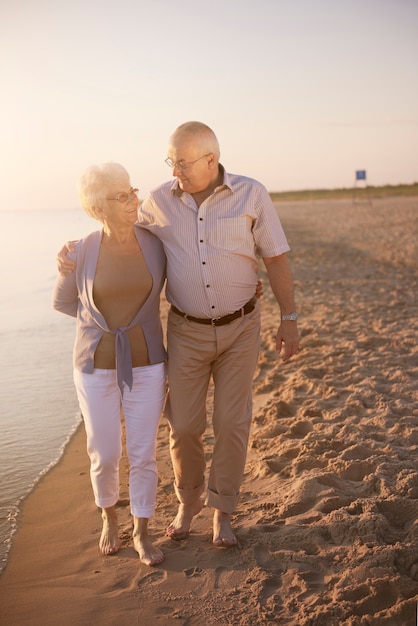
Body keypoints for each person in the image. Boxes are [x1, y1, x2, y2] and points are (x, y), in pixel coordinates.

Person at [57, 122, 299, 547]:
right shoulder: (157, 201)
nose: (175, 172)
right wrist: (74, 253)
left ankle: (222, 512)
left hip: (242, 326)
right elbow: (119, 232)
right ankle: (189, 503)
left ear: (211, 160)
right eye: (170, 162)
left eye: (182, 163)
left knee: (231, 421)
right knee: (183, 425)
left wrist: (289, 317)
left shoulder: (251, 194)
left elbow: (275, 257)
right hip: (186, 330)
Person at [52, 162, 167, 566]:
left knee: (143, 452)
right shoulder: (80, 250)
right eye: (123, 195)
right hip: (93, 366)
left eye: (133, 190)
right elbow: (63, 301)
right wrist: (100, 326)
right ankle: (109, 518)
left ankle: (142, 531)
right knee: (103, 450)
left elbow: (192, 269)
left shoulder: (155, 243)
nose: (135, 199)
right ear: (100, 206)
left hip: (148, 363)